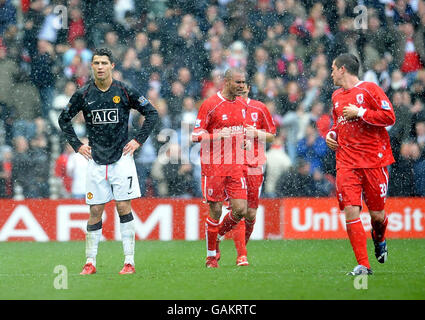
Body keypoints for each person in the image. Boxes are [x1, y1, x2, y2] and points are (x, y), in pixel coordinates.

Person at [58, 48, 159, 275]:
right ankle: (90, 262)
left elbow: (152, 113)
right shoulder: (83, 94)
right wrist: (77, 145)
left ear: (112, 65)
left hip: (122, 159)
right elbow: (63, 119)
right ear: (91, 66)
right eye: (96, 63)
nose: (100, 66)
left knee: (123, 206)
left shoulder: (123, 90)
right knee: (95, 210)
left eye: (104, 62)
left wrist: (138, 140)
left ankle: (129, 261)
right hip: (95, 160)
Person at [326, 53, 396, 276]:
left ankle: (380, 237)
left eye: (333, 68)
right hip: (346, 163)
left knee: (377, 215)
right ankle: (364, 266)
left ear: (343, 69)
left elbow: (389, 117)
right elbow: (339, 123)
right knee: (351, 211)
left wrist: (361, 112)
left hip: (373, 162)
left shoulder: (369, 89)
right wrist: (331, 134)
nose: (331, 73)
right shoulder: (336, 96)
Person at [191, 67, 249, 268]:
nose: (242, 86)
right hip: (213, 166)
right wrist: (217, 136)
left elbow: (239, 131)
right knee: (215, 210)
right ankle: (210, 256)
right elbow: (195, 135)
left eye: (243, 82)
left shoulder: (242, 104)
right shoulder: (210, 104)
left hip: (235, 165)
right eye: (238, 82)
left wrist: (245, 142)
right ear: (227, 82)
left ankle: (217, 236)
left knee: (241, 210)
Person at [220, 83, 276, 266]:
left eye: (243, 86)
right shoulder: (225, 107)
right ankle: (241, 255)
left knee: (251, 213)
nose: (241, 90)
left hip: (255, 165)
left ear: (249, 88)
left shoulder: (259, 108)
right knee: (240, 209)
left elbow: (272, 135)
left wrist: (256, 133)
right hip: (234, 164)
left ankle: (217, 234)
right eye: (237, 87)